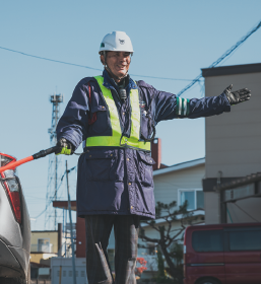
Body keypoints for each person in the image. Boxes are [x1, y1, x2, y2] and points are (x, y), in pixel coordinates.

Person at [55, 31, 251, 284]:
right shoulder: (89, 88)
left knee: (128, 252)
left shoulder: (147, 94)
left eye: (126, 55)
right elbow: (74, 122)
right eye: (115, 54)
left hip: (133, 184)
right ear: (103, 58)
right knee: (96, 247)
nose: (121, 59)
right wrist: (68, 139)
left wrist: (220, 101)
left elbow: (187, 106)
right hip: (99, 183)